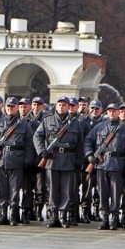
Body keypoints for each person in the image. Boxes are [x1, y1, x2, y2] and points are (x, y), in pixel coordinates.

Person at [33, 96, 85, 228]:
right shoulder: (47, 120)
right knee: (52, 188)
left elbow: (80, 143)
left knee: (67, 189)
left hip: (69, 159)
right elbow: (37, 136)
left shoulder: (75, 123)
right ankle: (54, 216)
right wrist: (42, 151)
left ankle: (64, 216)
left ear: (69, 107)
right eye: (59, 105)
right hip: (52, 159)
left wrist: (79, 161)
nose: (61, 107)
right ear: (56, 106)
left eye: (64, 105)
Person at [0, 96, 35, 226]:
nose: (10, 109)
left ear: (17, 108)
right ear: (5, 108)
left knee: (15, 190)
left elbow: (29, 144)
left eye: (12, 106)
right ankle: (3, 214)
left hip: (17, 161)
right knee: (1, 189)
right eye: (8, 106)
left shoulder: (24, 125)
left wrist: (28, 160)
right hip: (0, 161)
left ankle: (13, 216)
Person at [83, 104, 125, 230]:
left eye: (114, 111)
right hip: (102, 165)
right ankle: (105, 218)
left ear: (118, 112)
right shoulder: (99, 127)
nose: (112, 113)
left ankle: (115, 218)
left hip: (117, 165)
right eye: (110, 111)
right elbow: (88, 141)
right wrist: (90, 155)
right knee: (103, 193)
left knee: (116, 193)